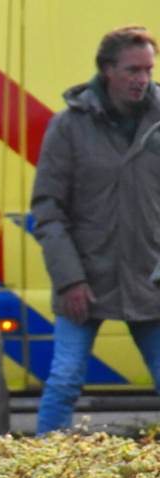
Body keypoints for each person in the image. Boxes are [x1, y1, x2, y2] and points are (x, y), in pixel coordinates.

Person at [32, 25, 160, 435]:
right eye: (132, 70)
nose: (143, 79)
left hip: (149, 277)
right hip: (86, 276)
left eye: (148, 70)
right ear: (107, 71)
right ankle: (40, 474)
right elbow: (48, 210)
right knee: (65, 379)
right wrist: (69, 279)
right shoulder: (69, 127)